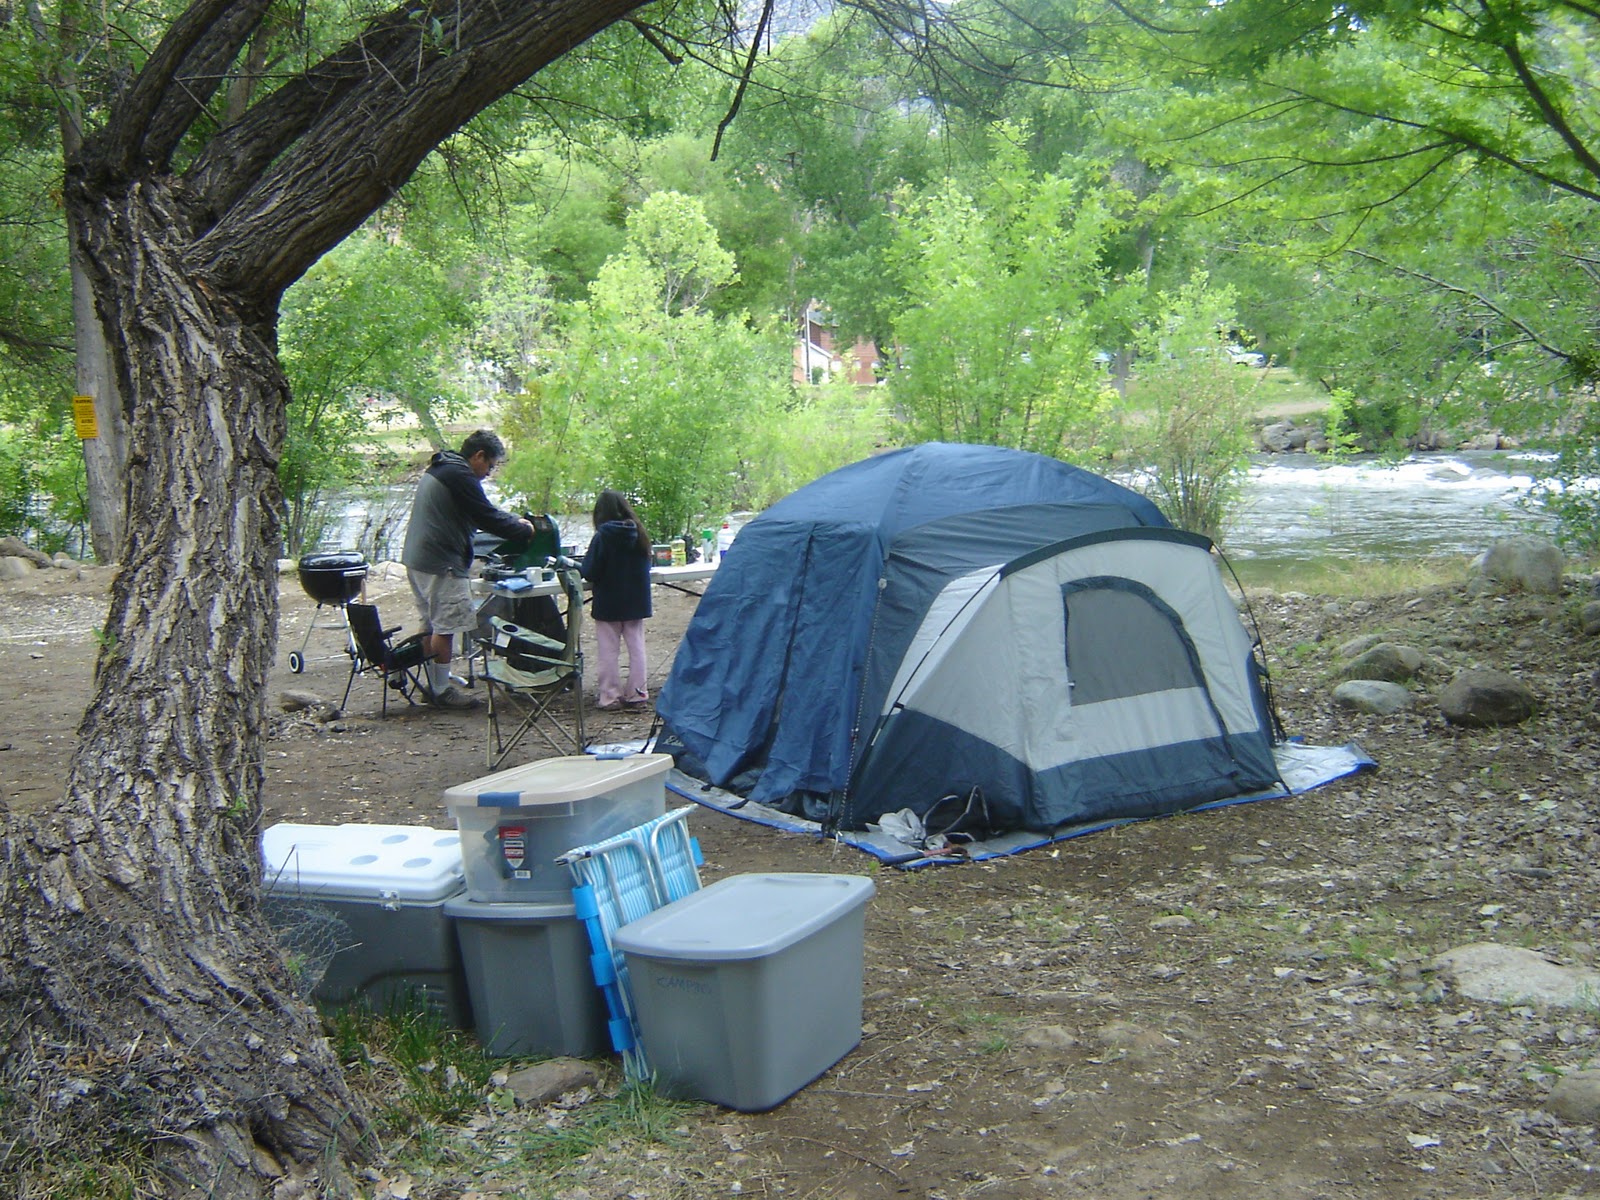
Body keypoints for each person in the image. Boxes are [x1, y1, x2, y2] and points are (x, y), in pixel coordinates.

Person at [401, 429, 535, 709]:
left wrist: (509, 519)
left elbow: (479, 512)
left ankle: (433, 684)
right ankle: (440, 691)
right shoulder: (460, 476)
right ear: (479, 456)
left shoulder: (444, 467)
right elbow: (486, 516)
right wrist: (522, 530)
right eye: (490, 465)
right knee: (445, 626)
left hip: (417, 558)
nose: (489, 473)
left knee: (430, 623)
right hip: (441, 561)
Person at [580, 489, 653, 710]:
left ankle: (610, 696)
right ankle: (637, 693)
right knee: (637, 647)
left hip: (609, 601)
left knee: (608, 650)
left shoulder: (602, 537)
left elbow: (590, 571)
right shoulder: (639, 533)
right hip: (636, 600)